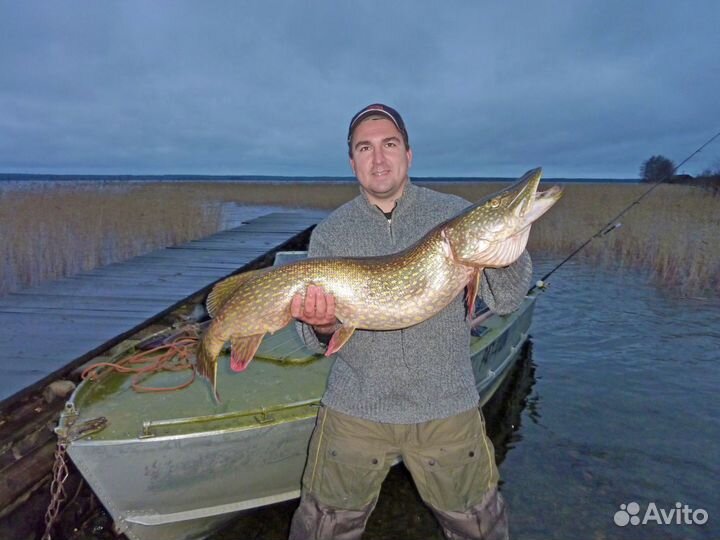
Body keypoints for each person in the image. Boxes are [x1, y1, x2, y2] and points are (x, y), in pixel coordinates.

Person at [288, 104, 531, 540]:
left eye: (389, 145)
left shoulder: (453, 215)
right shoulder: (330, 233)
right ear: (352, 162)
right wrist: (322, 324)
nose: (378, 159)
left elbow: (510, 297)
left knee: (478, 527)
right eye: (365, 148)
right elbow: (312, 339)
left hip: (445, 406)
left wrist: (506, 251)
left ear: (409, 155)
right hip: (355, 407)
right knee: (323, 528)